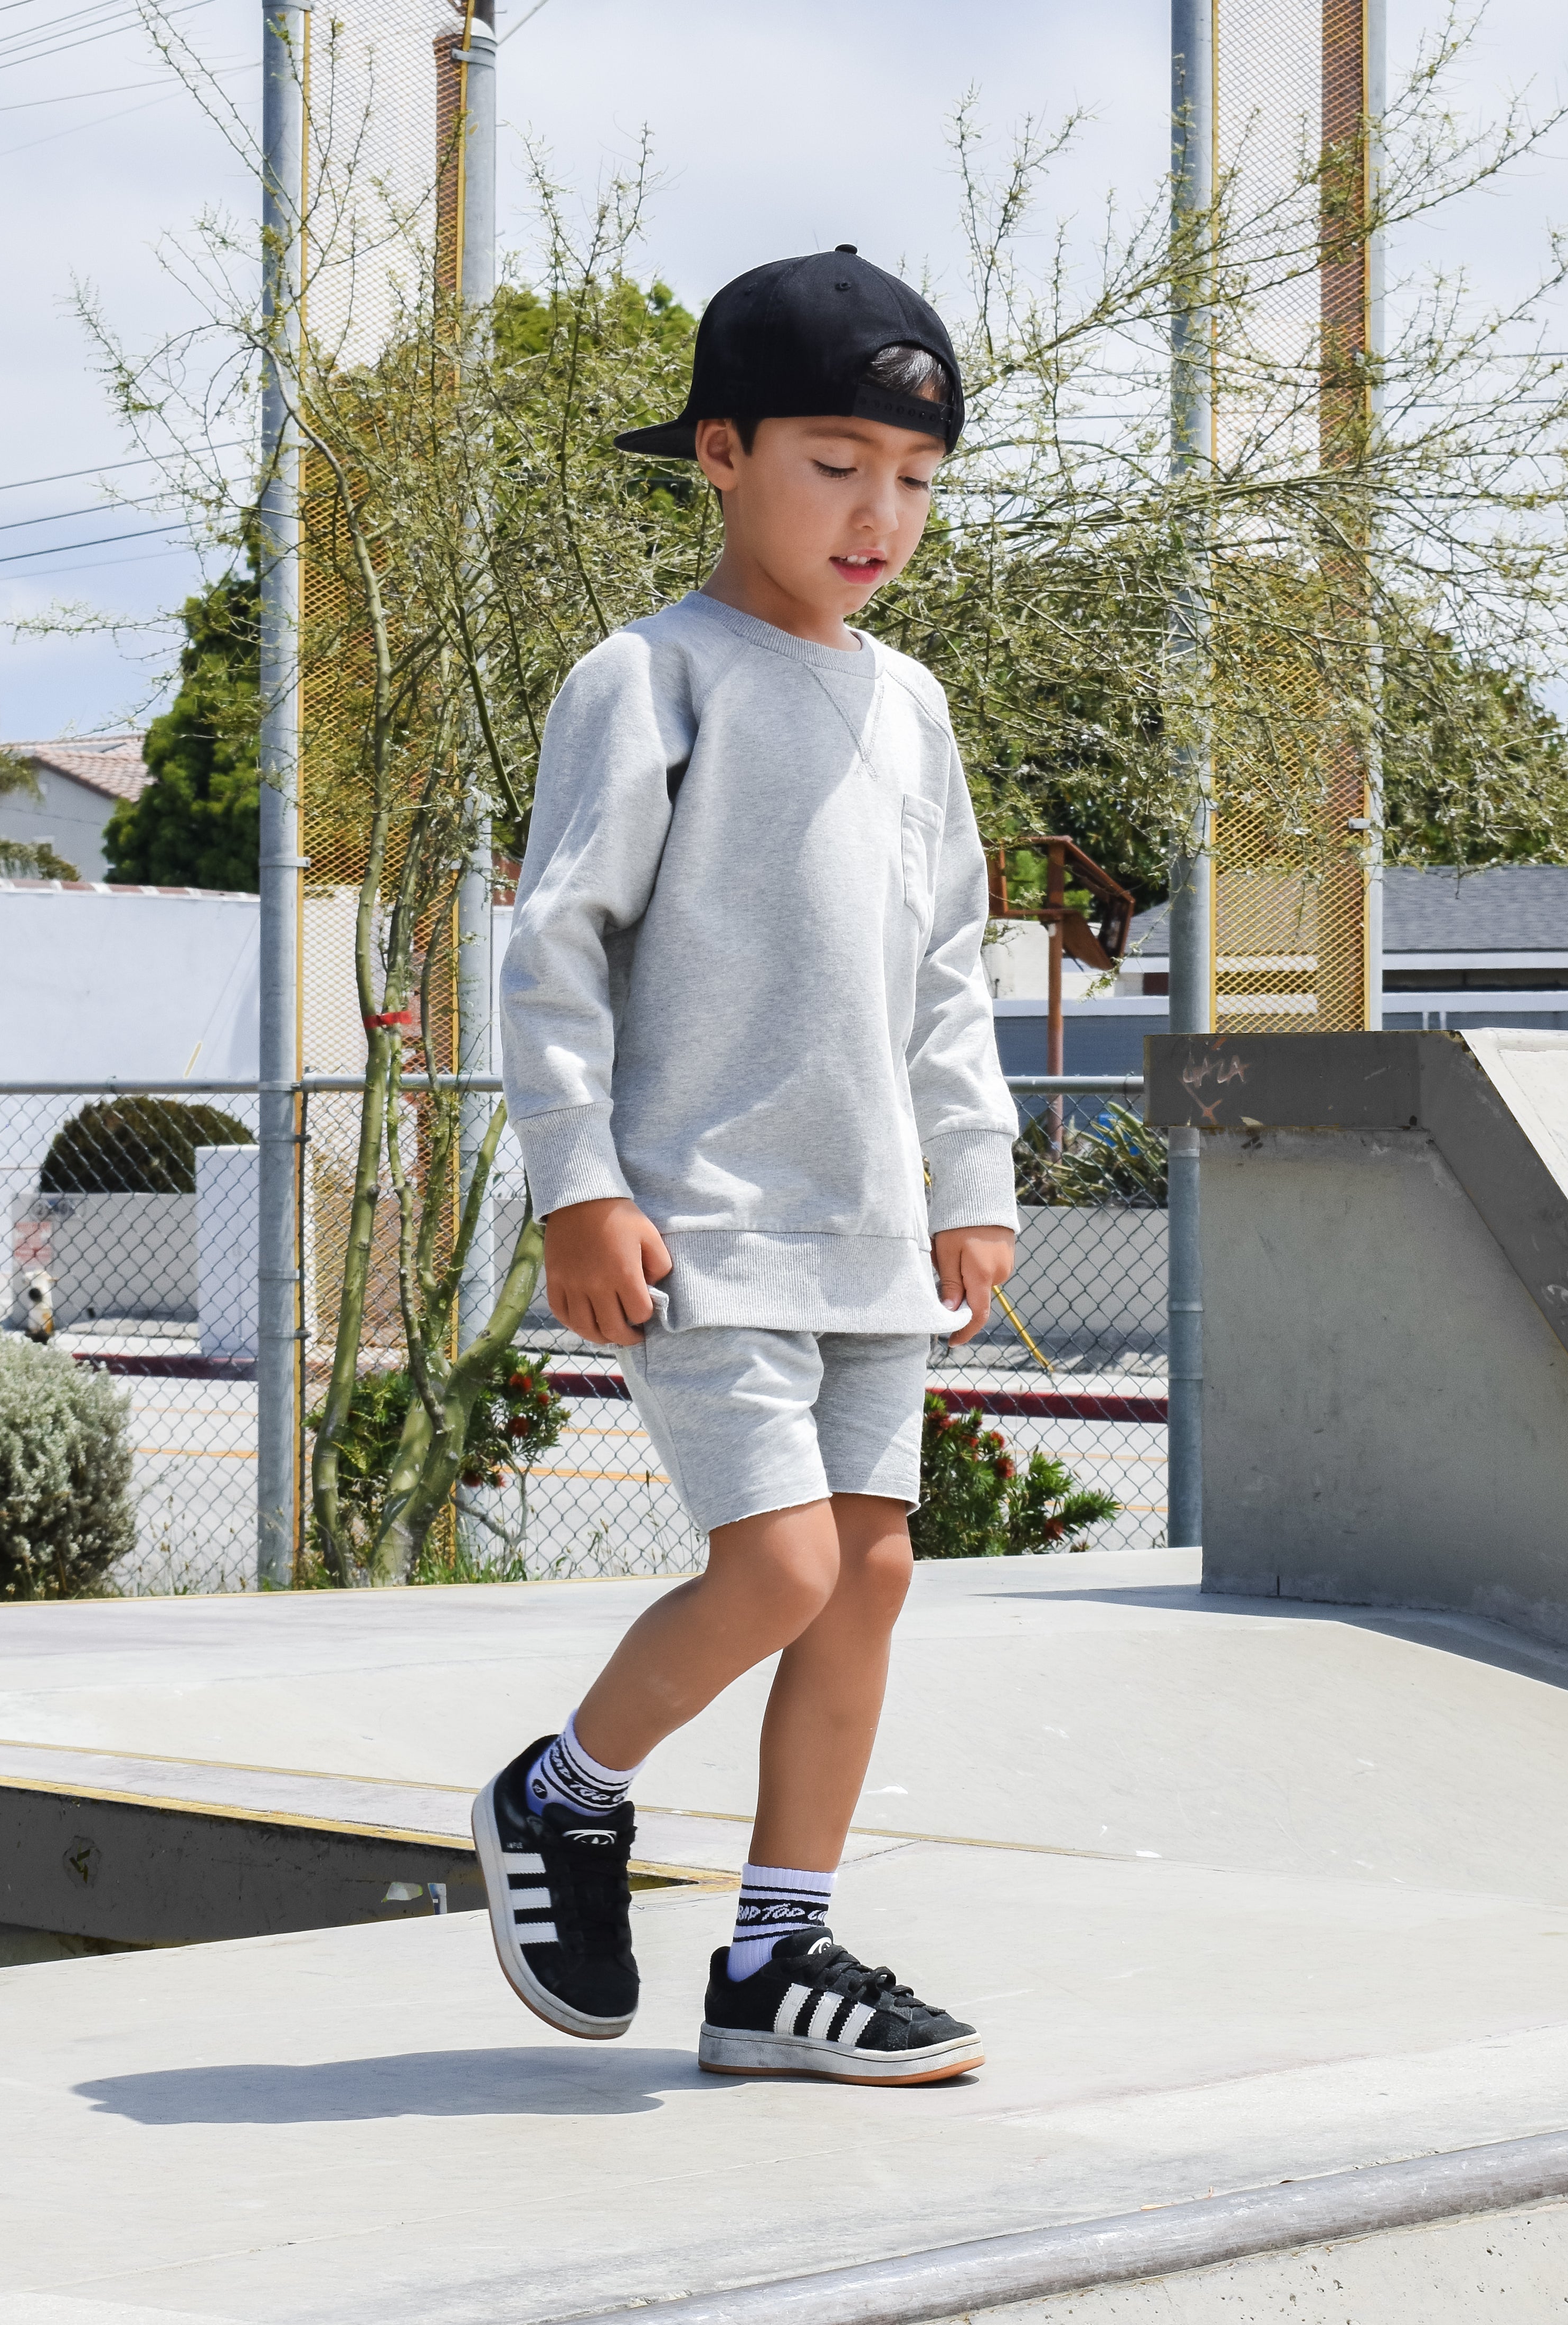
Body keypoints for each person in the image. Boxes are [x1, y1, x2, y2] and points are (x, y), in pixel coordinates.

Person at [474, 246, 1018, 2086]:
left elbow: (945, 968)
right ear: (721, 451)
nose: (881, 512)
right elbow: (558, 944)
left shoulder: (913, 706)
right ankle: (562, 1791)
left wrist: (974, 1177)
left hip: (872, 1229)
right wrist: (575, 1178)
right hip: (700, 1220)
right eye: (836, 460)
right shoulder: (650, 678)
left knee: (868, 1576)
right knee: (779, 1563)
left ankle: (777, 1957)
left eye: (918, 477)